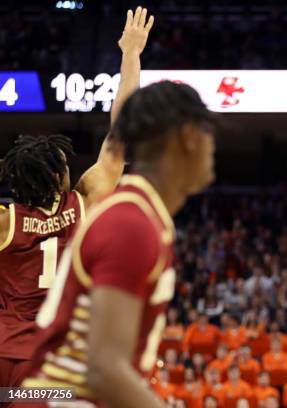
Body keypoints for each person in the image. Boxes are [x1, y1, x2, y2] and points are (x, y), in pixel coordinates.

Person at [20, 60, 216, 408]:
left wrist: (131, 55)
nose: (213, 145)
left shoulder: (138, 212)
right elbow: (104, 370)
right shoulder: (131, 223)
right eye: (208, 132)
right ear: (187, 138)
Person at [0, 6, 154, 394]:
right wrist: (130, 55)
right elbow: (121, 131)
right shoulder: (86, 199)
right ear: (57, 174)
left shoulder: (6, 221)